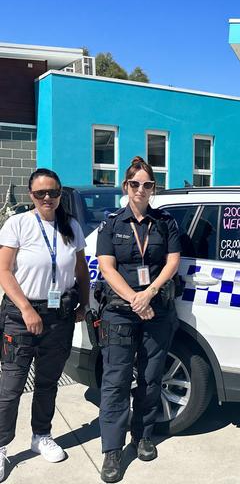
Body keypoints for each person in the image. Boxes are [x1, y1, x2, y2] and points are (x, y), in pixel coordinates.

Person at [0, 169, 89, 482]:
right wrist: (26, 309)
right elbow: (5, 272)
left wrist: (84, 303)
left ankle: (41, 436)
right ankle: (1, 447)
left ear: (60, 193)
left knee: (48, 382)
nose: (47, 198)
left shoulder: (71, 226)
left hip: (59, 315)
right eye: (41, 194)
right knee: (11, 387)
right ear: (31, 196)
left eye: (53, 192)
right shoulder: (18, 224)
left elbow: (81, 269)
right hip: (22, 315)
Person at [96, 156, 181, 483]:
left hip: (156, 309)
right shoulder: (112, 223)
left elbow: (173, 260)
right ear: (125, 187)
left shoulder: (165, 223)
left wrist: (150, 293)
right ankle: (112, 450)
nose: (141, 190)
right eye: (135, 184)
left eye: (147, 185)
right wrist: (135, 298)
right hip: (120, 311)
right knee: (116, 381)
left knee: (150, 375)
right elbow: (107, 267)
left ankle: (143, 435)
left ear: (153, 188)